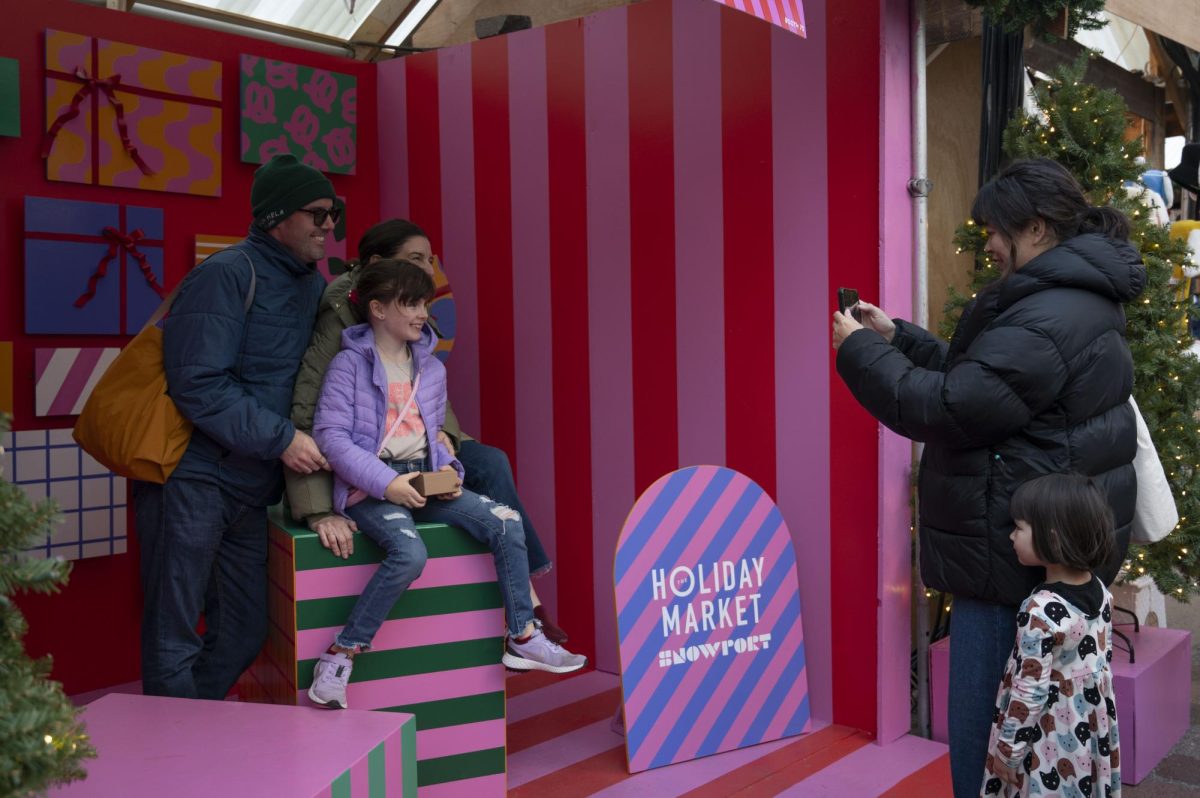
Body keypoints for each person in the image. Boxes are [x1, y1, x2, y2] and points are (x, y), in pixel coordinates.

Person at [831, 158, 1144, 798]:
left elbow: (950, 407)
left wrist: (857, 351)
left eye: (996, 231)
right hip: (1031, 553)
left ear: (1034, 228)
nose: (990, 245)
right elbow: (993, 386)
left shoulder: (1048, 312)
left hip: (1007, 565)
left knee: (986, 754)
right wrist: (903, 340)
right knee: (1027, 753)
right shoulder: (1071, 302)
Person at [306, 259, 586, 709]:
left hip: (426, 478)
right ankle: (341, 655)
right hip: (372, 487)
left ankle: (523, 637)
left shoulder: (431, 369)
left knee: (505, 521)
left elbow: (433, 435)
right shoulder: (348, 366)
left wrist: (450, 474)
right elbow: (332, 440)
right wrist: (387, 485)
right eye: (410, 303)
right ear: (377, 309)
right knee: (410, 552)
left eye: (424, 304)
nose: (421, 313)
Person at [286, 218, 568, 642]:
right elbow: (315, 411)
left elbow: (426, 395)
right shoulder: (342, 319)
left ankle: (524, 611)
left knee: (490, 465)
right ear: (378, 267)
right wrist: (317, 508)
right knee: (409, 550)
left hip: (420, 451)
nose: (428, 269)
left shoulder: (417, 322)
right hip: (369, 462)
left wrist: (447, 448)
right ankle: (345, 649)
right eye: (415, 258)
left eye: (430, 260)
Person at [136, 154, 337, 699]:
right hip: (191, 481)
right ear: (277, 216)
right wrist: (284, 441)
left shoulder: (312, 287)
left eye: (334, 212)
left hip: (251, 490)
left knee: (245, 632)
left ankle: (189, 729)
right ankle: (172, 766)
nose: (329, 223)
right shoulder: (226, 274)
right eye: (317, 212)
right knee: (170, 638)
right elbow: (198, 383)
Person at [982, 473, 1121, 797]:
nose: (1012, 537)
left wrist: (1008, 752)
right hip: (1089, 728)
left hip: (1049, 736)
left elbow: (1029, 691)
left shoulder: (1039, 611)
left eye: (1020, 528)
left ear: (1053, 539)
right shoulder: (1101, 592)